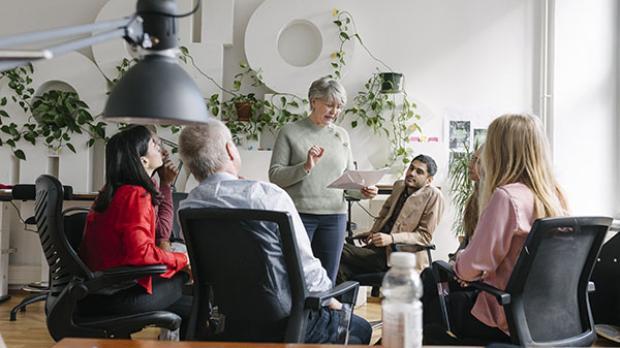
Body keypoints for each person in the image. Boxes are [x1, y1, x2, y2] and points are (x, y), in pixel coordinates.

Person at [178, 120, 372, 344]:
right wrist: (332, 301)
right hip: (289, 323)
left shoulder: (189, 207)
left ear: (190, 165)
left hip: (231, 323)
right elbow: (306, 267)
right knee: (360, 329)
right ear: (231, 150)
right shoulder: (266, 196)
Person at [422, 114, 569, 344]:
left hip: (504, 319)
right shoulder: (555, 195)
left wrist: (459, 262)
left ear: (498, 152)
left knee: (428, 312)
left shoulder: (507, 197)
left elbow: (469, 269)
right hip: (548, 318)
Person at [78, 125, 191, 337]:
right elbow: (142, 255)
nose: (162, 148)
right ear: (143, 160)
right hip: (113, 297)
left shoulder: (116, 190)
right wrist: (182, 260)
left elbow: (157, 234)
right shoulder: (134, 195)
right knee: (183, 279)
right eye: (155, 144)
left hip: (96, 292)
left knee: (189, 305)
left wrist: (164, 183)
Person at [269, 76, 377, 283]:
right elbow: (275, 176)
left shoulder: (342, 136)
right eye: (329, 105)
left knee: (328, 277)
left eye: (339, 107)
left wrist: (362, 190)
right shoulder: (289, 132)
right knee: (295, 276)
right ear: (313, 101)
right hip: (300, 215)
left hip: (335, 217)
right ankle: (297, 316)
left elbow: (347, 180)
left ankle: (325, 316)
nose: (334, 112)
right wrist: (306, 166)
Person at [338, 155, 444, 282]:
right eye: (411, 168)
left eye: (419, 172)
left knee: (336, 248)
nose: (411, 173)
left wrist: (391, 239)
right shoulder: (399, 186)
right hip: (375, 250)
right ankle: (340, 302)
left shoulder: (434, 196)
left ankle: (336, 301)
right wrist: (373, 232)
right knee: (339, 267)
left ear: (429, 180)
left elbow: (424, 236)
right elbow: (385, 214)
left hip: (398, 256)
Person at [449, 145, 483, 260]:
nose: (470, 165)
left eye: (478, 161)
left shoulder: (496, 200)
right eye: (472, 159)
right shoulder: (474, 198)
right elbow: (468, 240)